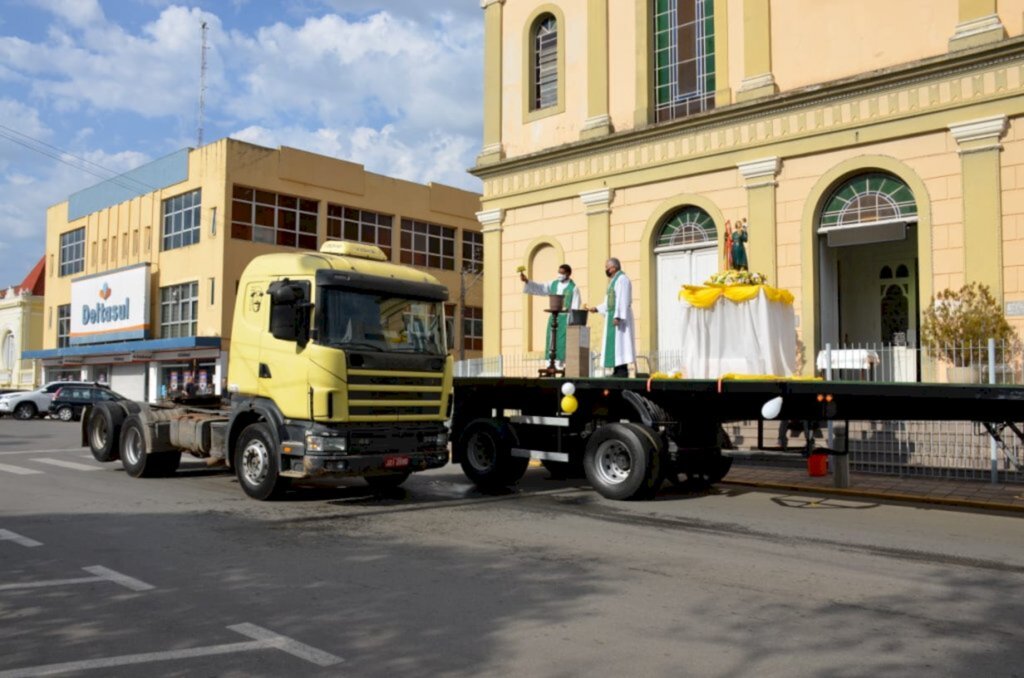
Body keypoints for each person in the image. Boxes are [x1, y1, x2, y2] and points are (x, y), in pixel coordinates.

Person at [521, 263, 583, 363]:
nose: (559, 274)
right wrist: (527, 281)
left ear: (568, 274)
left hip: (565, 319)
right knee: (551, 341)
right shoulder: (554, 284)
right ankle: (551, 364)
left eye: (562, 273)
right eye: (558, 272)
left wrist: (572, 323)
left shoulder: (573, 288)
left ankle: (562, 366)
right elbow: (540, 288)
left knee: (562, 343)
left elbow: (576, 306)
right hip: (554, 317)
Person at [588, 257, 635, 377]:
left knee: (620, 344)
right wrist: (597, 308)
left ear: (613, 268)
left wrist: (618, 316)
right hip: (612, 314)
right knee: (615, 345)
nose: (606, 270)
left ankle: (622, 370)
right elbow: (609, 302)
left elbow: (622, 299)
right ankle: (616, 369)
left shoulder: (622, 279)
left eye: (606, 267)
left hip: (619, 318)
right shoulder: (613, 281)